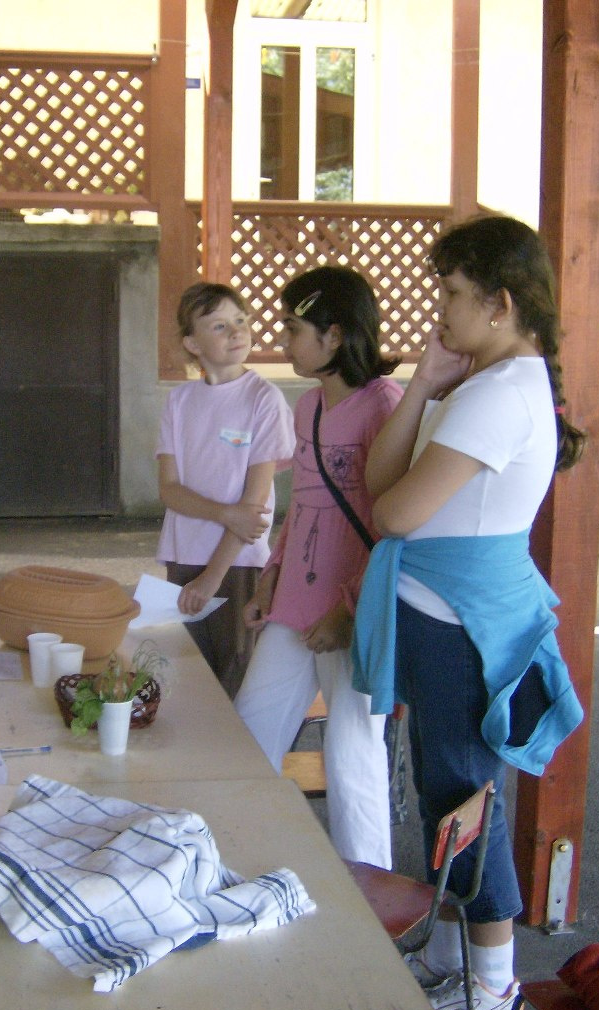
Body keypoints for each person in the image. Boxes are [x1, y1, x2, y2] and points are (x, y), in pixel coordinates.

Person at [356, 214, 587, 1010]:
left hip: (461, 627)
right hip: (440, 618)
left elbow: (393, 512)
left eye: (452, 294)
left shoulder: (496, 397)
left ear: (500, 303)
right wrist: (421, 383)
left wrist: (429, 413)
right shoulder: (477, 387)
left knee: (464, 797)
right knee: (446, 788)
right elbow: (375, 478)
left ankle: (491, 982)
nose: (440, 311)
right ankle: (452, 956)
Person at [233, 265, 402, 869]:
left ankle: (368, 887)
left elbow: (392, 525)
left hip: (350, 613)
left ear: (335, 336)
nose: (284, 338)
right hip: (295, 602)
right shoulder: (305, 408)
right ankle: (231, 856)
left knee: (353, 749)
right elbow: (304, 505)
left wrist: (348, 610)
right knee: (252, 727)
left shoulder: (385, 405)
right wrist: (271, 580)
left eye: (294, 326)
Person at [156, 282, 295, 698]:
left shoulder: (264, 399)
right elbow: (169, 490)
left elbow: (252, 510)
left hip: (237, 564)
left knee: (236, 679)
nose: (236, 332)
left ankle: (234, 763)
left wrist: (213, 576)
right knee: (185, 681)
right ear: (191, 343)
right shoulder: (178, 402)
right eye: (218, 326)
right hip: (182, 558)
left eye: (240, 321)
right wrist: (223, 513)